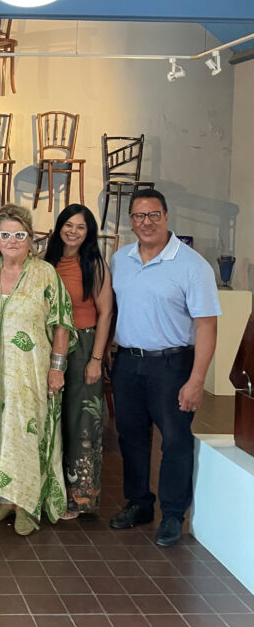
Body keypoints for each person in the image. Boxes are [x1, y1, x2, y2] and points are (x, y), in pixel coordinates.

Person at [109, 188, 219, 547]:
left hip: (171, 365)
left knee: (174, 440)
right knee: (131, 436)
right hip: (128, 362)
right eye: (139, 216)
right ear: (131, 221)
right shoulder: (121, 259)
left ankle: (172, 514)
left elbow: (207, 326)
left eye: (153, 215)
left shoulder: (192, 266)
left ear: (166, 216)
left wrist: (196, 380)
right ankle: (139, 503)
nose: (147, 222)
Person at [0, 203, 76, 536]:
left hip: (32, 371)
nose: (12, 241)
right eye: (5, 235)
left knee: (27, 433)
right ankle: (4, 498)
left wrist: (57, 368)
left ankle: (27, 504)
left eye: (20, 235)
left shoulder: (45, 273)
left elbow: (62, 323)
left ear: (30, 238)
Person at [44, 205, 113, 518]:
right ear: (59, 227)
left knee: (81, 421)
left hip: (83, 345)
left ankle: (80, 497)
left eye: (80, 227)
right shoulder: (46, 261)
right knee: (52, 418)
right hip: (49, 346)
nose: (73, 231)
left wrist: (96, 358)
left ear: (89, 233)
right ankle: (52, 488)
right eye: (68, 225)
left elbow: (105, 313)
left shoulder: (94, 264)